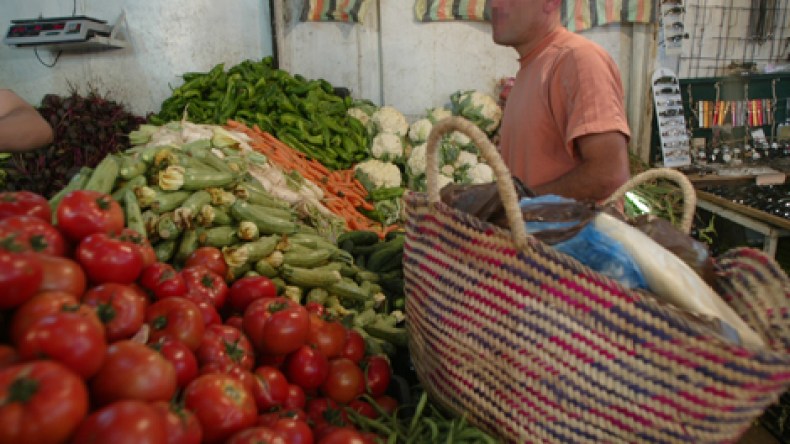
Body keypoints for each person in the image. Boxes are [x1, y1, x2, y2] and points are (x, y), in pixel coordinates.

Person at [491, 0, 631, 203]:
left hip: (576, 235)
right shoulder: (531, 67)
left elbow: (609, 176)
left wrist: (518, 205)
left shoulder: (578, 60)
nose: (494, 5)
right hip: (533, 233)